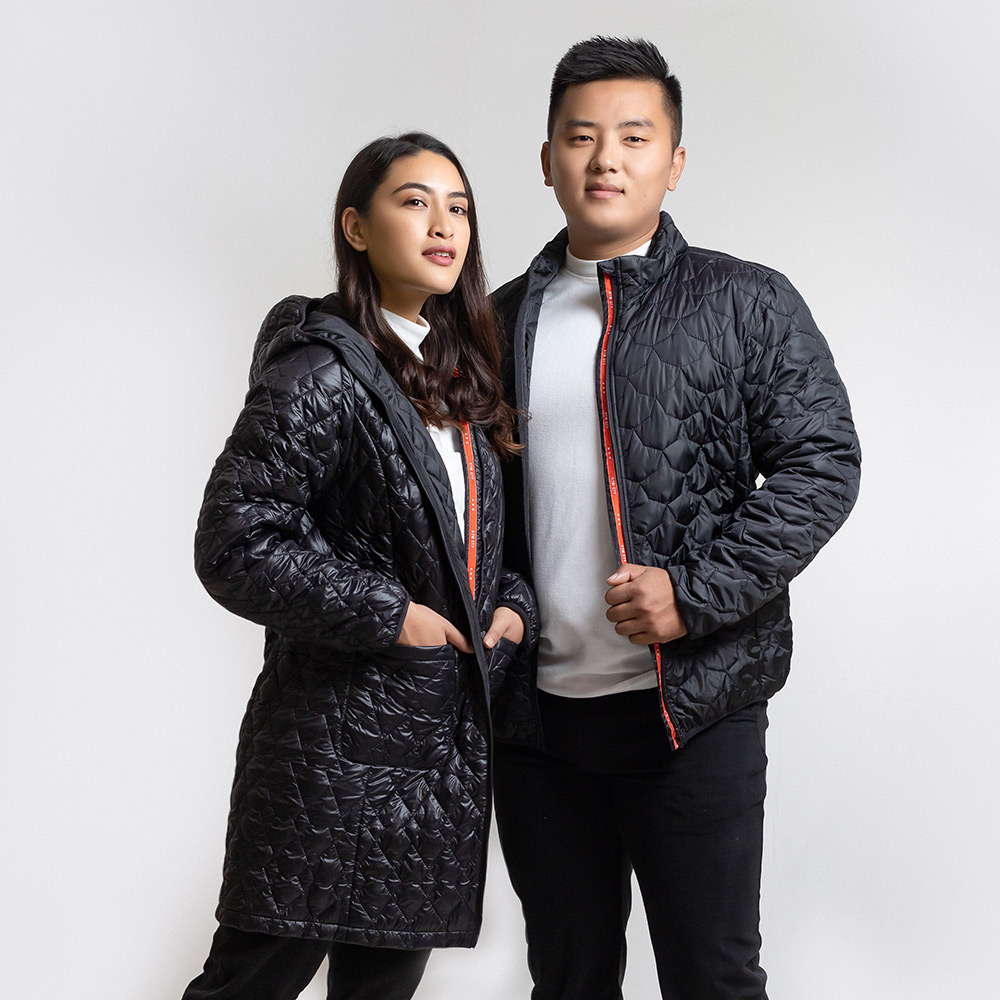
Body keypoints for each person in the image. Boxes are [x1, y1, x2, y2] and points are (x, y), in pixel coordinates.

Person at [490, 37, 861, 1000]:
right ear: (547, 160)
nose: (605, 159)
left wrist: (691, 597)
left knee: (711, 978)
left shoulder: (744, 300)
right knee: (567, 981)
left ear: (675, 161)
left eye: (633, 136)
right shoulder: (492, 322)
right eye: (581, 137)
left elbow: (823, 466)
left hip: (693, 710)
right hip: (538, 727)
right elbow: (472, 514)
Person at [181, 132, 538, 1000]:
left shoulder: (458, 379)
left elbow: (473, 547)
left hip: (430, 767)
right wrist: (392, 615)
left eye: (458, 208)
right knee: (249, 985)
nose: (443, 226)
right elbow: (234, 541)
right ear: (356, 227)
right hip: (328, 756)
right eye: (414, 202)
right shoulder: (323, 368)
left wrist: (513, 605)